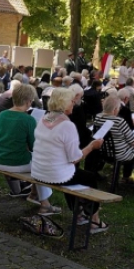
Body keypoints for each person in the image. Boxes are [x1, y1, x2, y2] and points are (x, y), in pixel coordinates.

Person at [31, 88, 107, 234]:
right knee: (89, 178)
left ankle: (79, 213)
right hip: (52, 174)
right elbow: (75, 158)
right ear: (64, 103)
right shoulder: (67, 125)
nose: (74, 104)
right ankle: (95, 220)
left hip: (38, 170)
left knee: (75, 174)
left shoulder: (43, 118)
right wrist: (92, 146)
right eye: (72, 101)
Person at [0, 85, 59, 213]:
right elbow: (35, 147)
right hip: (13, 162)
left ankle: (34, 194)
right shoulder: (28, 119)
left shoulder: (3, 114)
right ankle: (45, 204)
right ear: (29, 101)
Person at [94, 95, 134, 193]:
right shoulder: (119, 121)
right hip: (120, 153)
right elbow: (132, 140)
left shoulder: (98, 117)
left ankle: (126, 176)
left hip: (104, 151)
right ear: (115, 109)